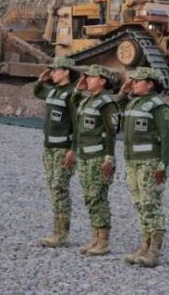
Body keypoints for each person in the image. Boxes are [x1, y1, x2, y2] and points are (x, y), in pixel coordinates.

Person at [117, 67, 169, 268]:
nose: (133, 83)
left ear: (150, 83)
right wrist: (124, 92)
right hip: (133, 161)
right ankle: (144, 245)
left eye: (137, 81)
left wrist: (163, 165)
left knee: (151, 204)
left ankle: (154, 251)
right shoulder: (134, 102)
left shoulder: (158, 107)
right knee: (140, 204)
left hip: (150, 162)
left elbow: (167, 138)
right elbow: (116, 108)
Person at [68, 65, 121, 256]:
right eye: (87, 77)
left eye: (92, 77)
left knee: (98, 197)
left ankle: (104, 241)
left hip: (98, 158)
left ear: (103, 81)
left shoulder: (106, 103)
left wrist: (109, 157)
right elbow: (72, 101)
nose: (88, 80)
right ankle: (95, 237)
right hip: (85, 156)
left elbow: (111, 133)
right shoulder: (88, 100)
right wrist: (78, 88)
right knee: (90, 198)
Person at [33, 57, 79, 248]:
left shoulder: (72, 94)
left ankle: (62, 233)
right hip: (50, 147)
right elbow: (38, 92)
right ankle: (56, 230)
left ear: (66, 71)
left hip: (63, 149)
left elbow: (78, 124)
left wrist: (73, 150)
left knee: (60, 188)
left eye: (56, 70)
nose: (52, 73)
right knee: (53, 187)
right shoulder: (53, 90)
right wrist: (40, 80)